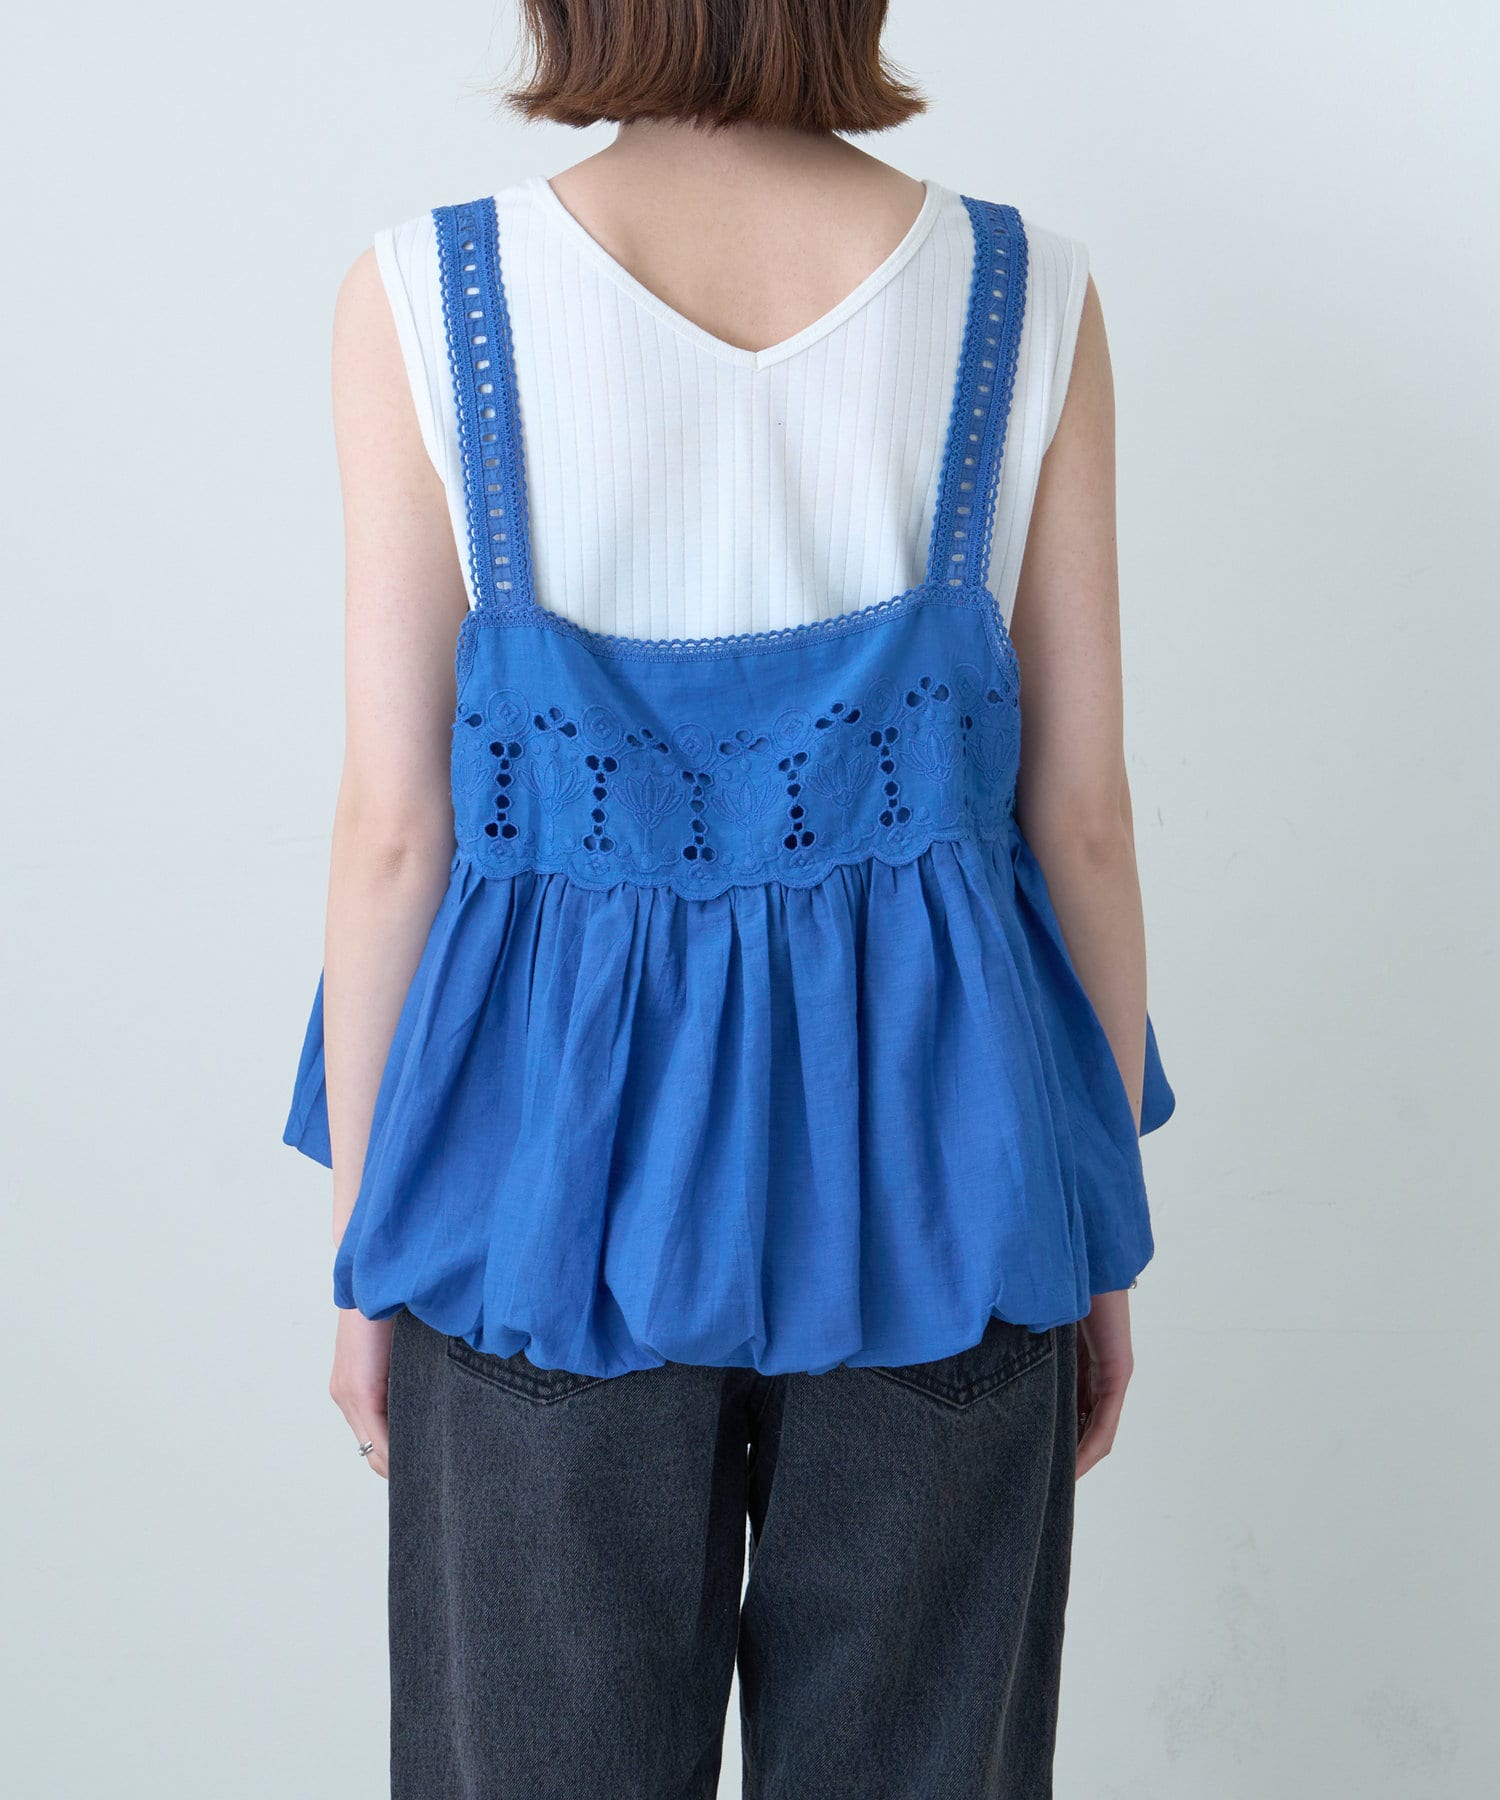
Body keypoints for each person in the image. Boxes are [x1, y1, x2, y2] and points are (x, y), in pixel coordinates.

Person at [282, 2, 1175, 1793]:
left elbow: (395, 830)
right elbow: (1079, 818)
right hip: (949, 1190)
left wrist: (372, 1251)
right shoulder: (1024, 295)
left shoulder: (427, 296)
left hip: (543, 1210)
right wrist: (1093, 1221)